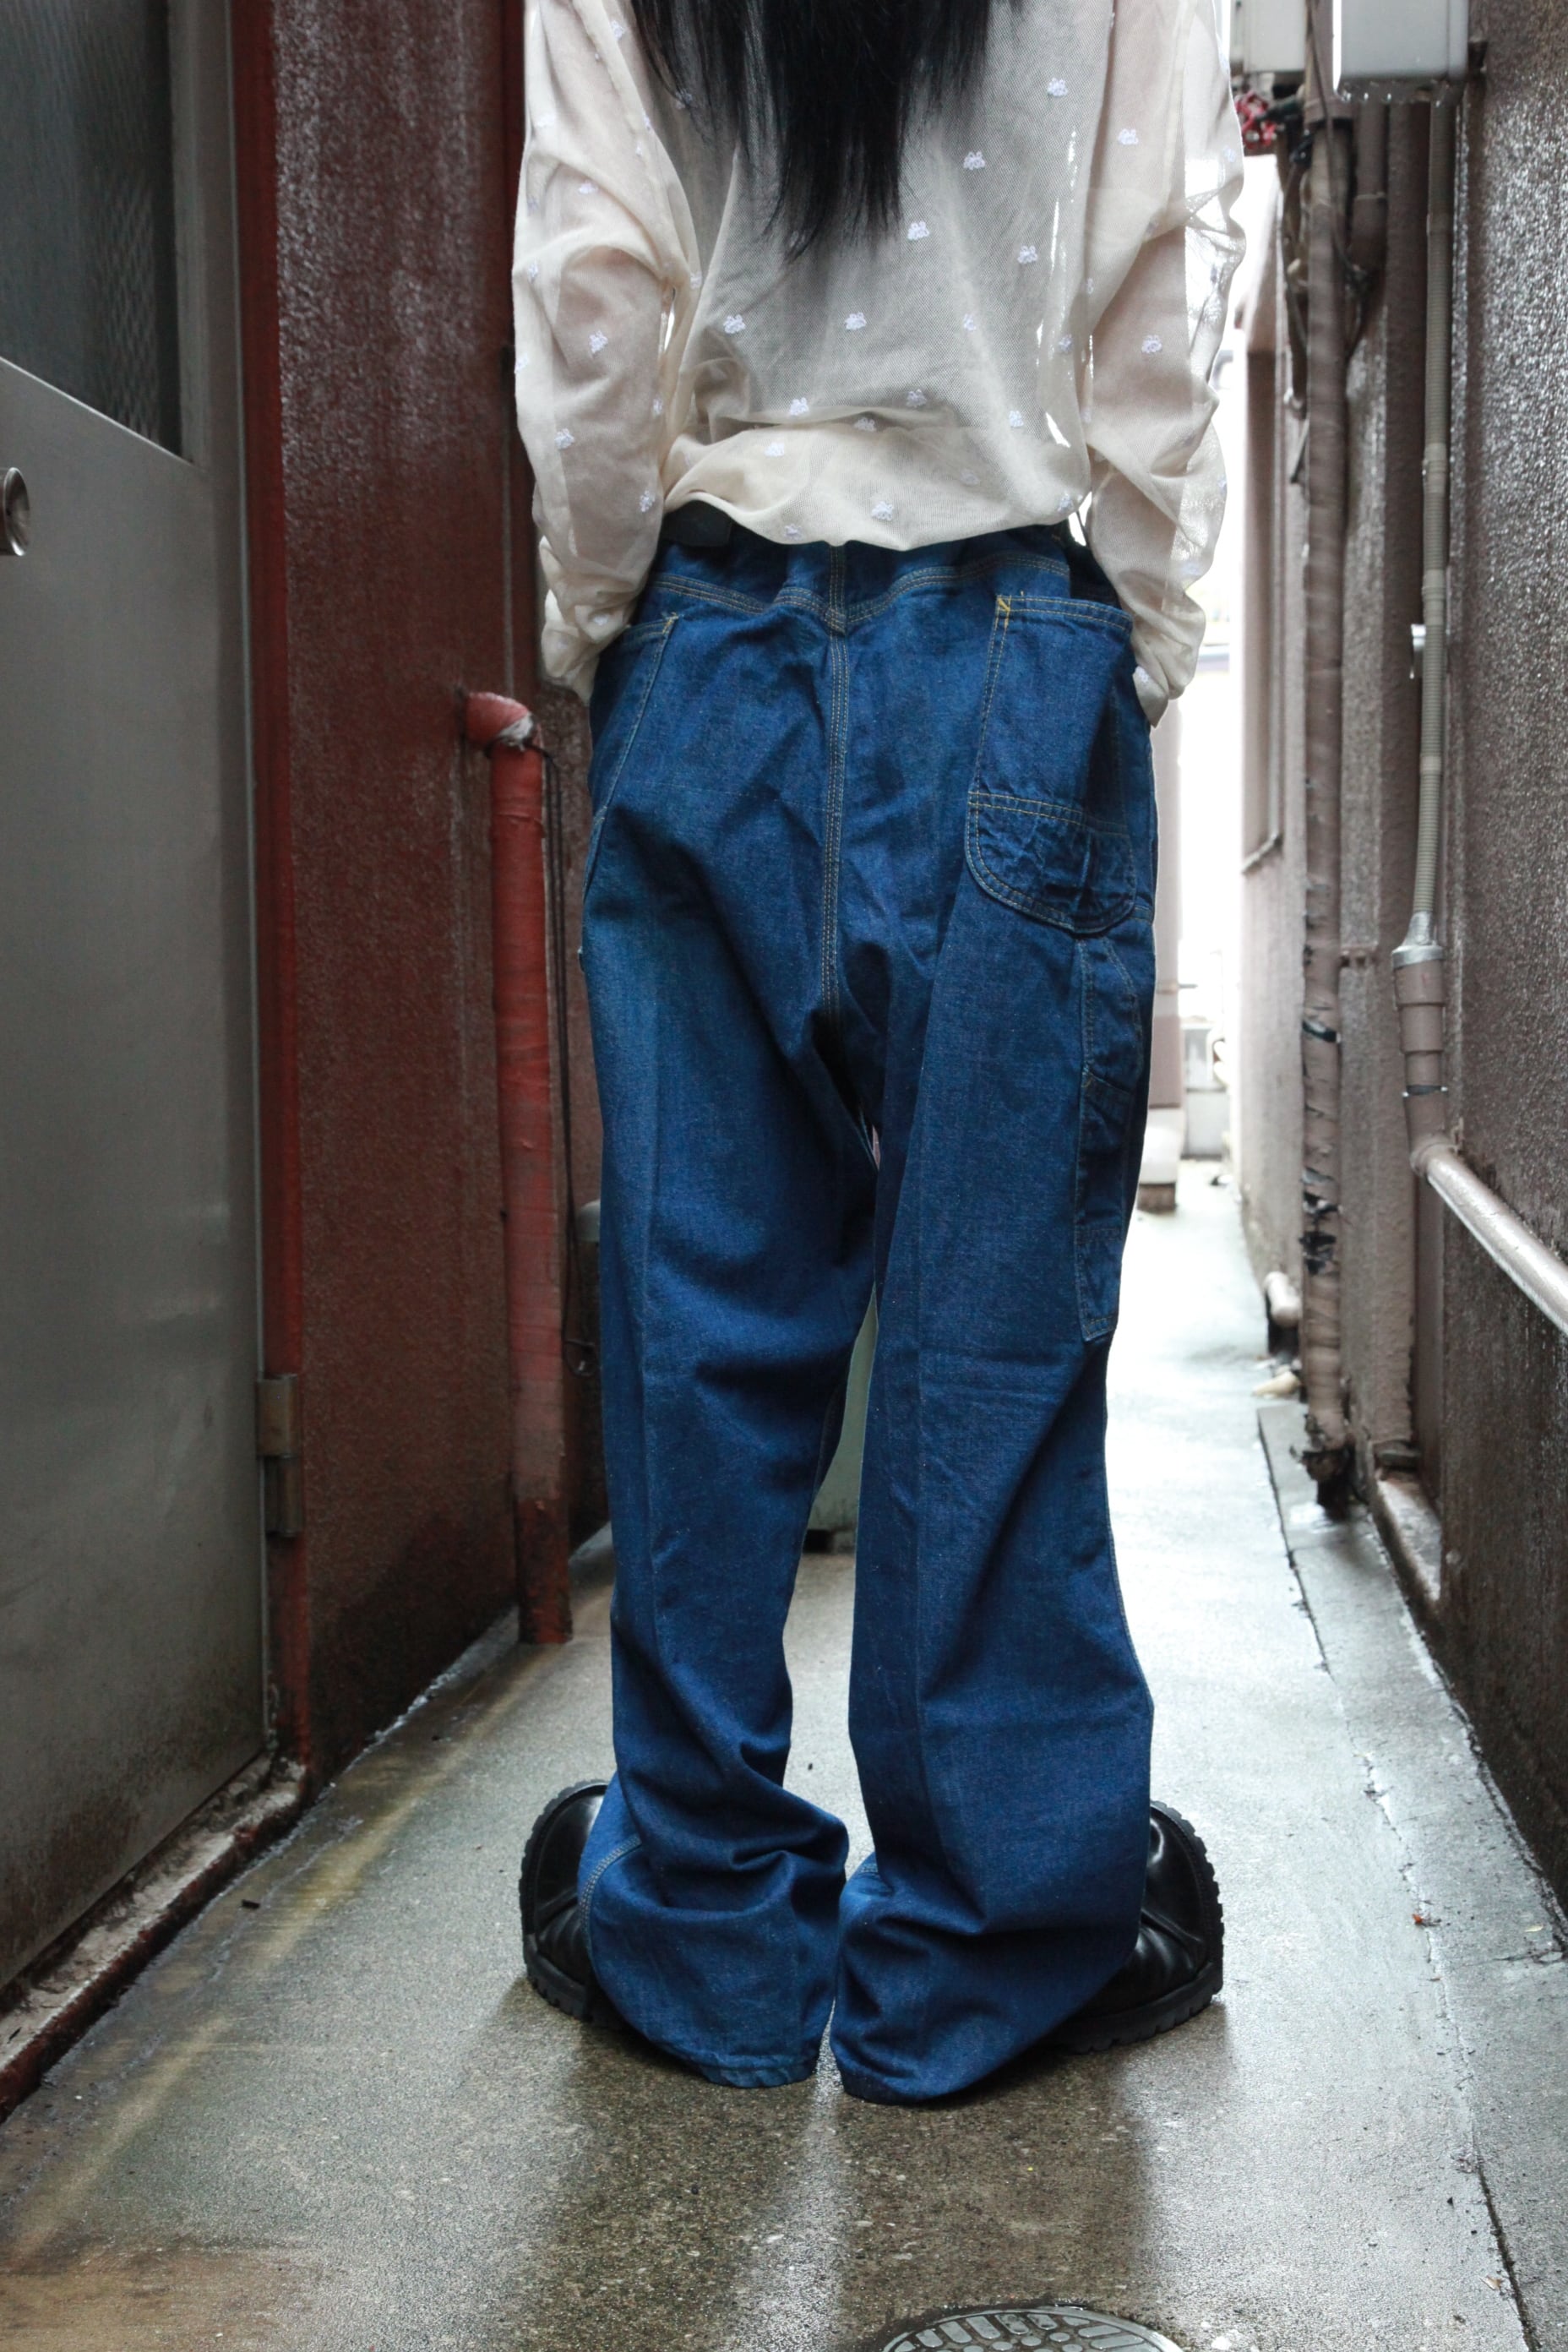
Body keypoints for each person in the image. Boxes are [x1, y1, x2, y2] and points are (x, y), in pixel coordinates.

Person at [512, 0, 1243, 2106]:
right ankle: (978, 1951)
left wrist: (600, 616)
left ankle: (706, 1934)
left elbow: (595, 288)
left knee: (696, 1324)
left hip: (712, 641)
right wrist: (1138, 628)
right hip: (1011, 630)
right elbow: (1155, 285)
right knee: (992, 1330)